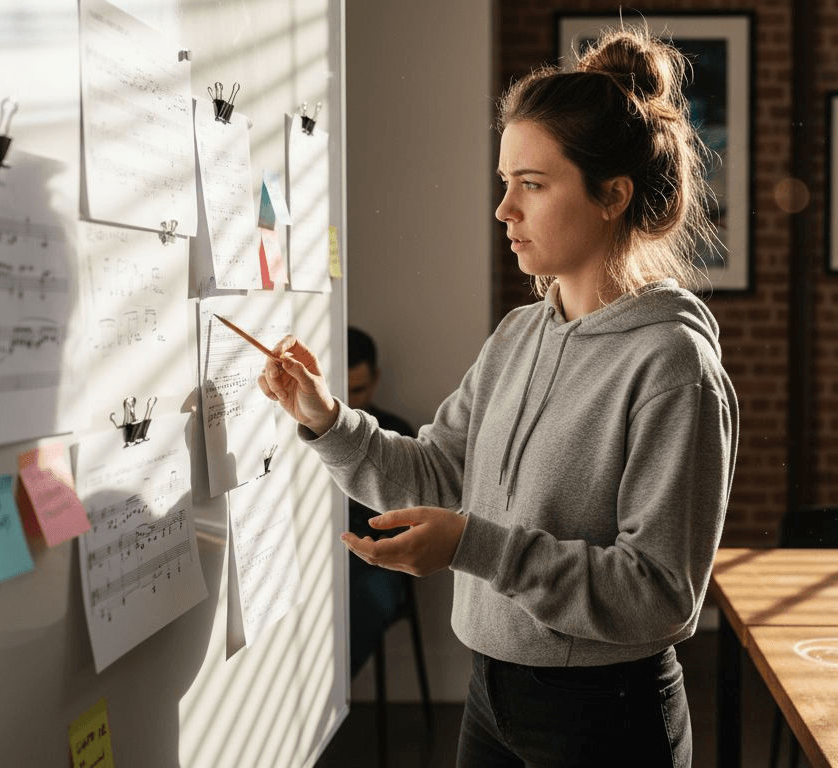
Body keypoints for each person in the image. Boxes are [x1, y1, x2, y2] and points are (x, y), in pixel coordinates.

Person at [258, 27, 737, 768]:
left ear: (612, 195)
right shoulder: (519, 335)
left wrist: (472, 545)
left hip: (604, 719)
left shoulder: (672, 365)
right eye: (504, 182)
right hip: (492, 698)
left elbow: (660, 594)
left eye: (532, 185)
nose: (504, 210)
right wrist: (323, 418)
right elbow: (437, 474)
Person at [344, 326, 416, 678]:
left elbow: (404, 524)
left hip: (380, 564)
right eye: (341, 392)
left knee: (361, 600)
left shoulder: (398, 434)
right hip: (327, 558)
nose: (351, 403)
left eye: (358, 390)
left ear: (375, 379)